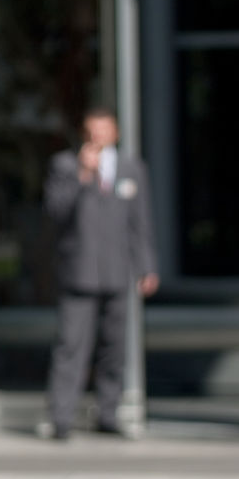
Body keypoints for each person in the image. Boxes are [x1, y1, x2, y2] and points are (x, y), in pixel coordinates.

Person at [44, 106, 158, 441]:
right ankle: (61, 418)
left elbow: (140, 223)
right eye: (92, 130)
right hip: (79, 273)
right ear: (83, 133)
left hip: (118, 272)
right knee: (71, 346)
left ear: (115, 133)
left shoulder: (131, 168)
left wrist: (146, 266)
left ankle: (108, 414)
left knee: (114, 349)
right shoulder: (64, 166)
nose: (98, 137)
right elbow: (55, 212)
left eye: (104, 130)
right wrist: (83, 174)